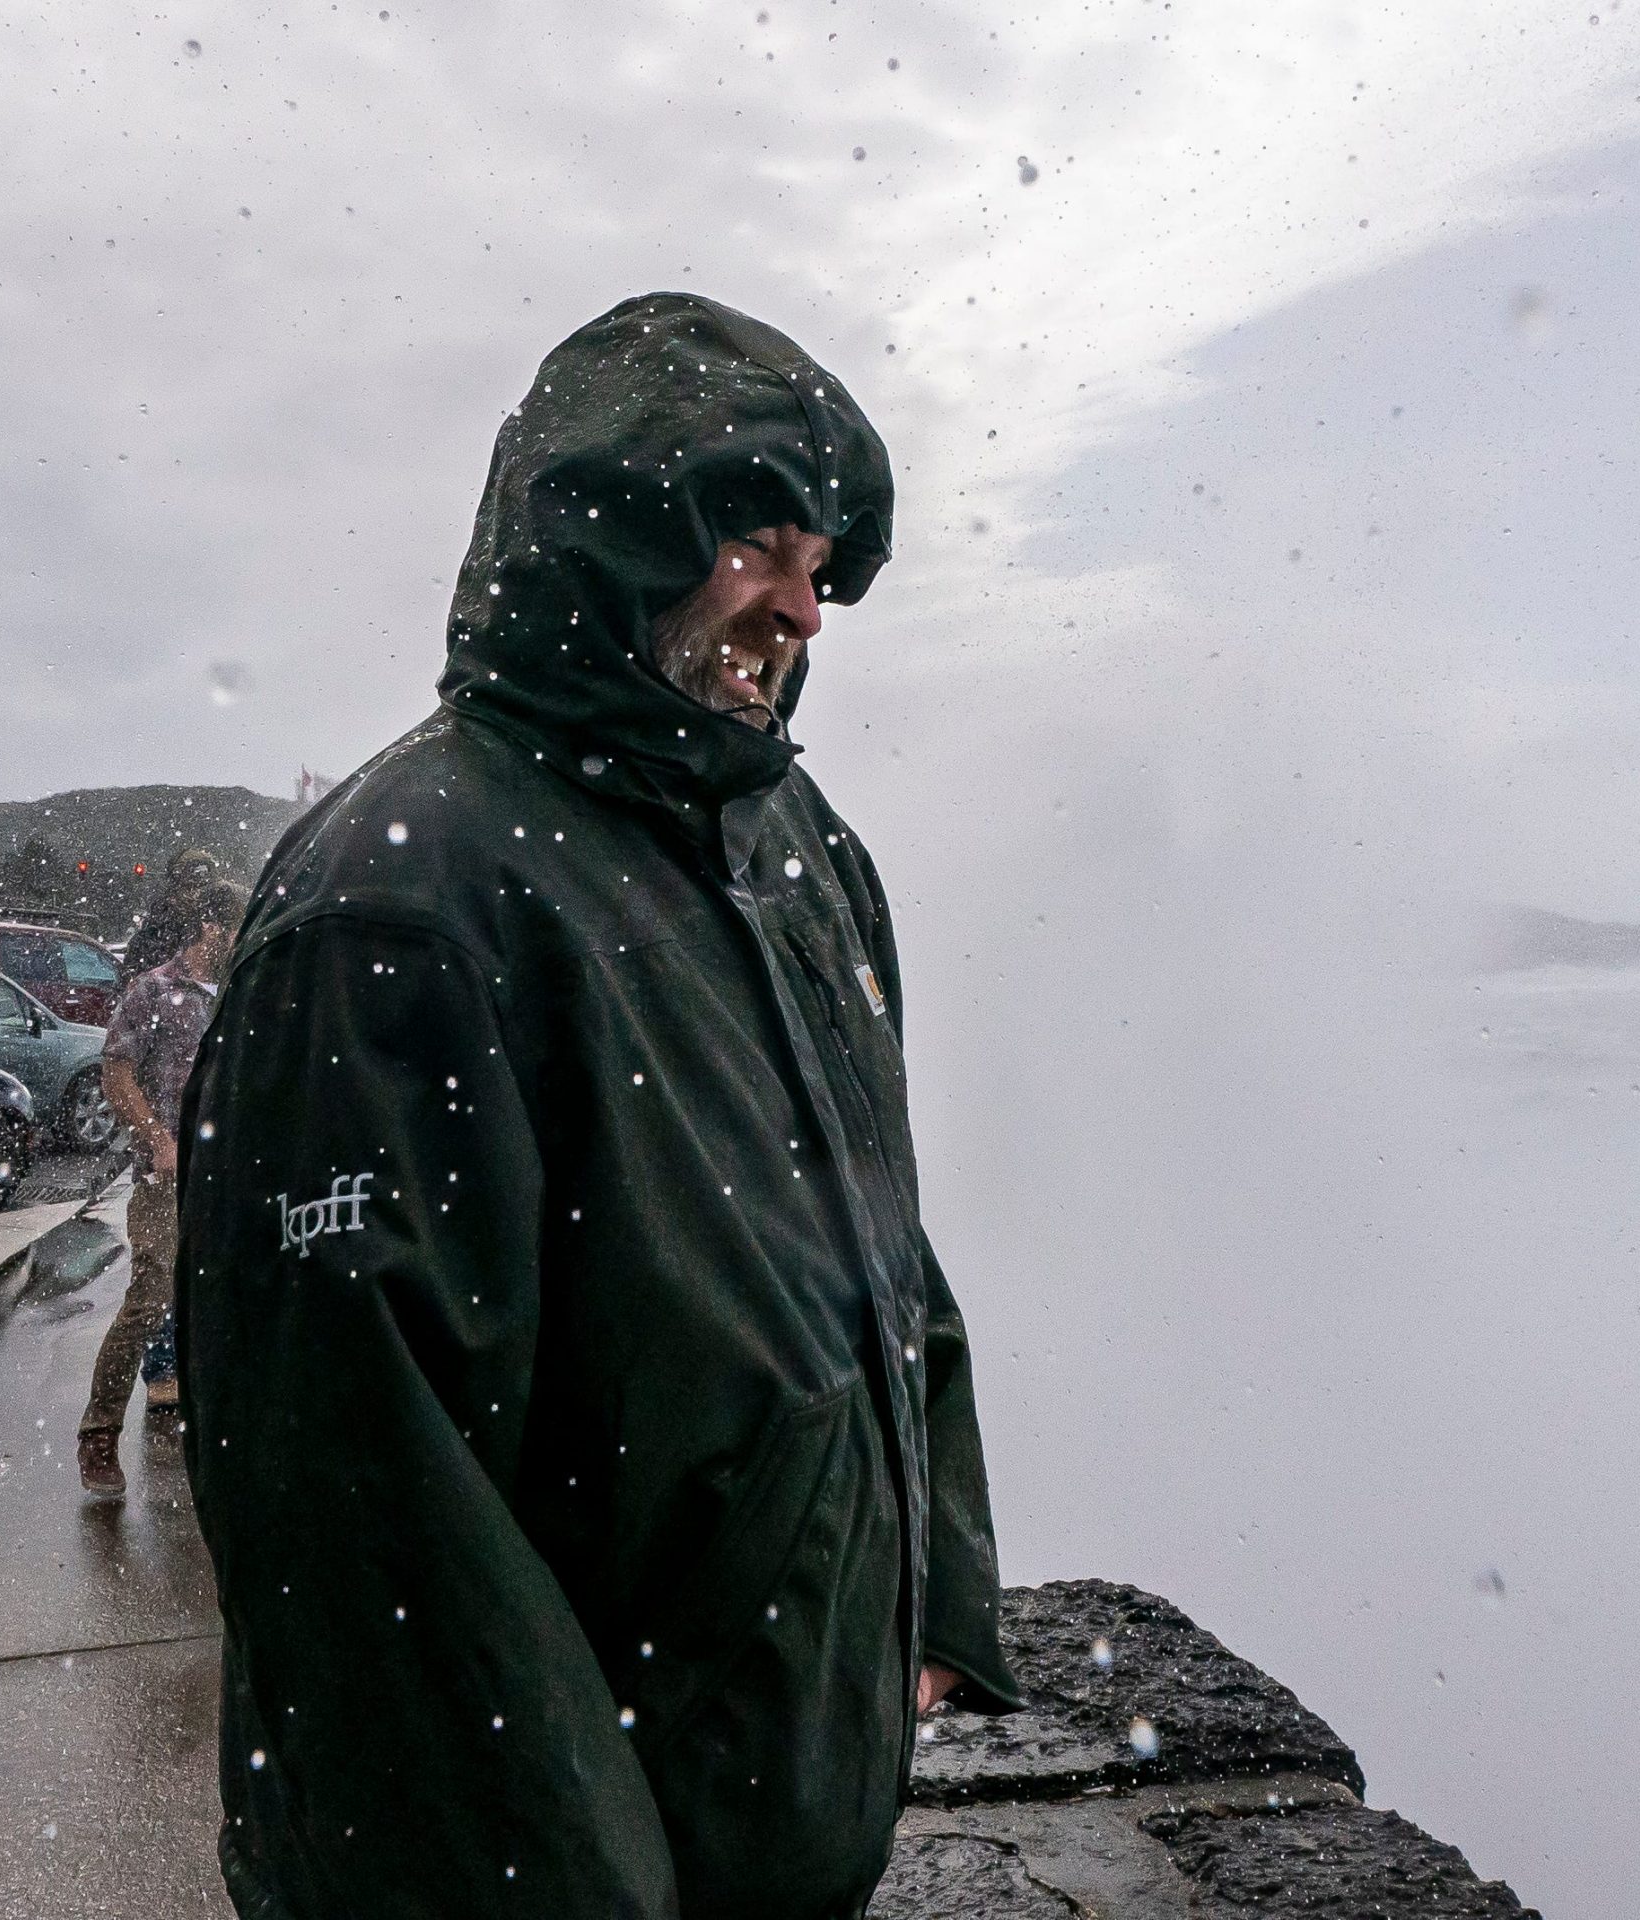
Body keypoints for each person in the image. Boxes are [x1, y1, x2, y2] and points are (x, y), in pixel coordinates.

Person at [176, 293, 1022, 1919]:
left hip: (757, 1826)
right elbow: (368, 1525)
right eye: (752, 544)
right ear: (611, 539)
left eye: (820, 554)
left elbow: (878, 1267)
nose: (805, 607)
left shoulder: (799, 853)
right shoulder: (398, 910)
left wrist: (932, 1608)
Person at [78, 879, 246, 1497]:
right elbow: (116, 1071)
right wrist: (156, 1137)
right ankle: (98, 1434)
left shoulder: (238, 993)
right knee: (151, 1299)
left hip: (226, 1179)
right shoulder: (152, 991)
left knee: (229, 1299)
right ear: (209, 930)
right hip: (164, 1178)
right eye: (231, 933)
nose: (237, 944)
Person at [118, 846, 225, 985]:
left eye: (202, 887)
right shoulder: (159, 931)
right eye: (191, 887)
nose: (196, 893)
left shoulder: (215, 923)